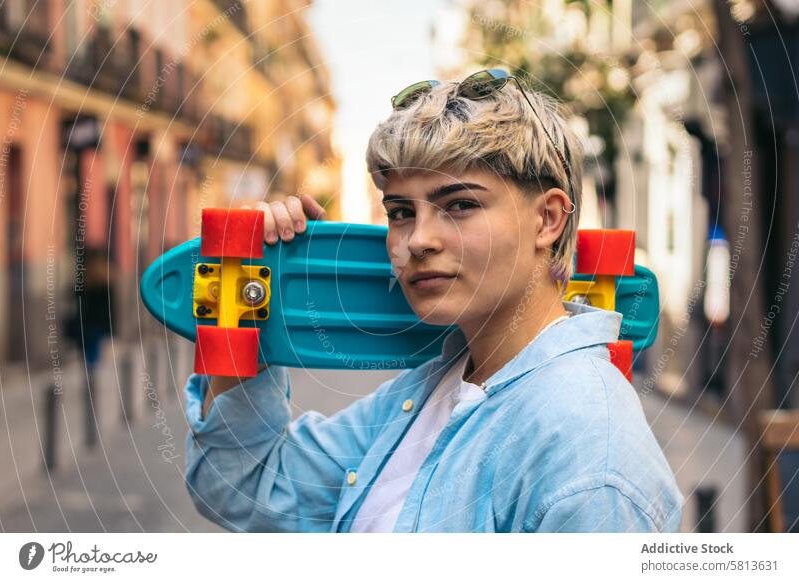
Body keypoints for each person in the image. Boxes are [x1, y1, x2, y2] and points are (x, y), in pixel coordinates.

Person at [183, 69, 683, 532]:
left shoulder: (588, 450)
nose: (418, 240)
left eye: (460, 205)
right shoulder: (442, 384)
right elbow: (247, 486)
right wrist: (243, 287)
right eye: (401, 211)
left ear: (548, 220)